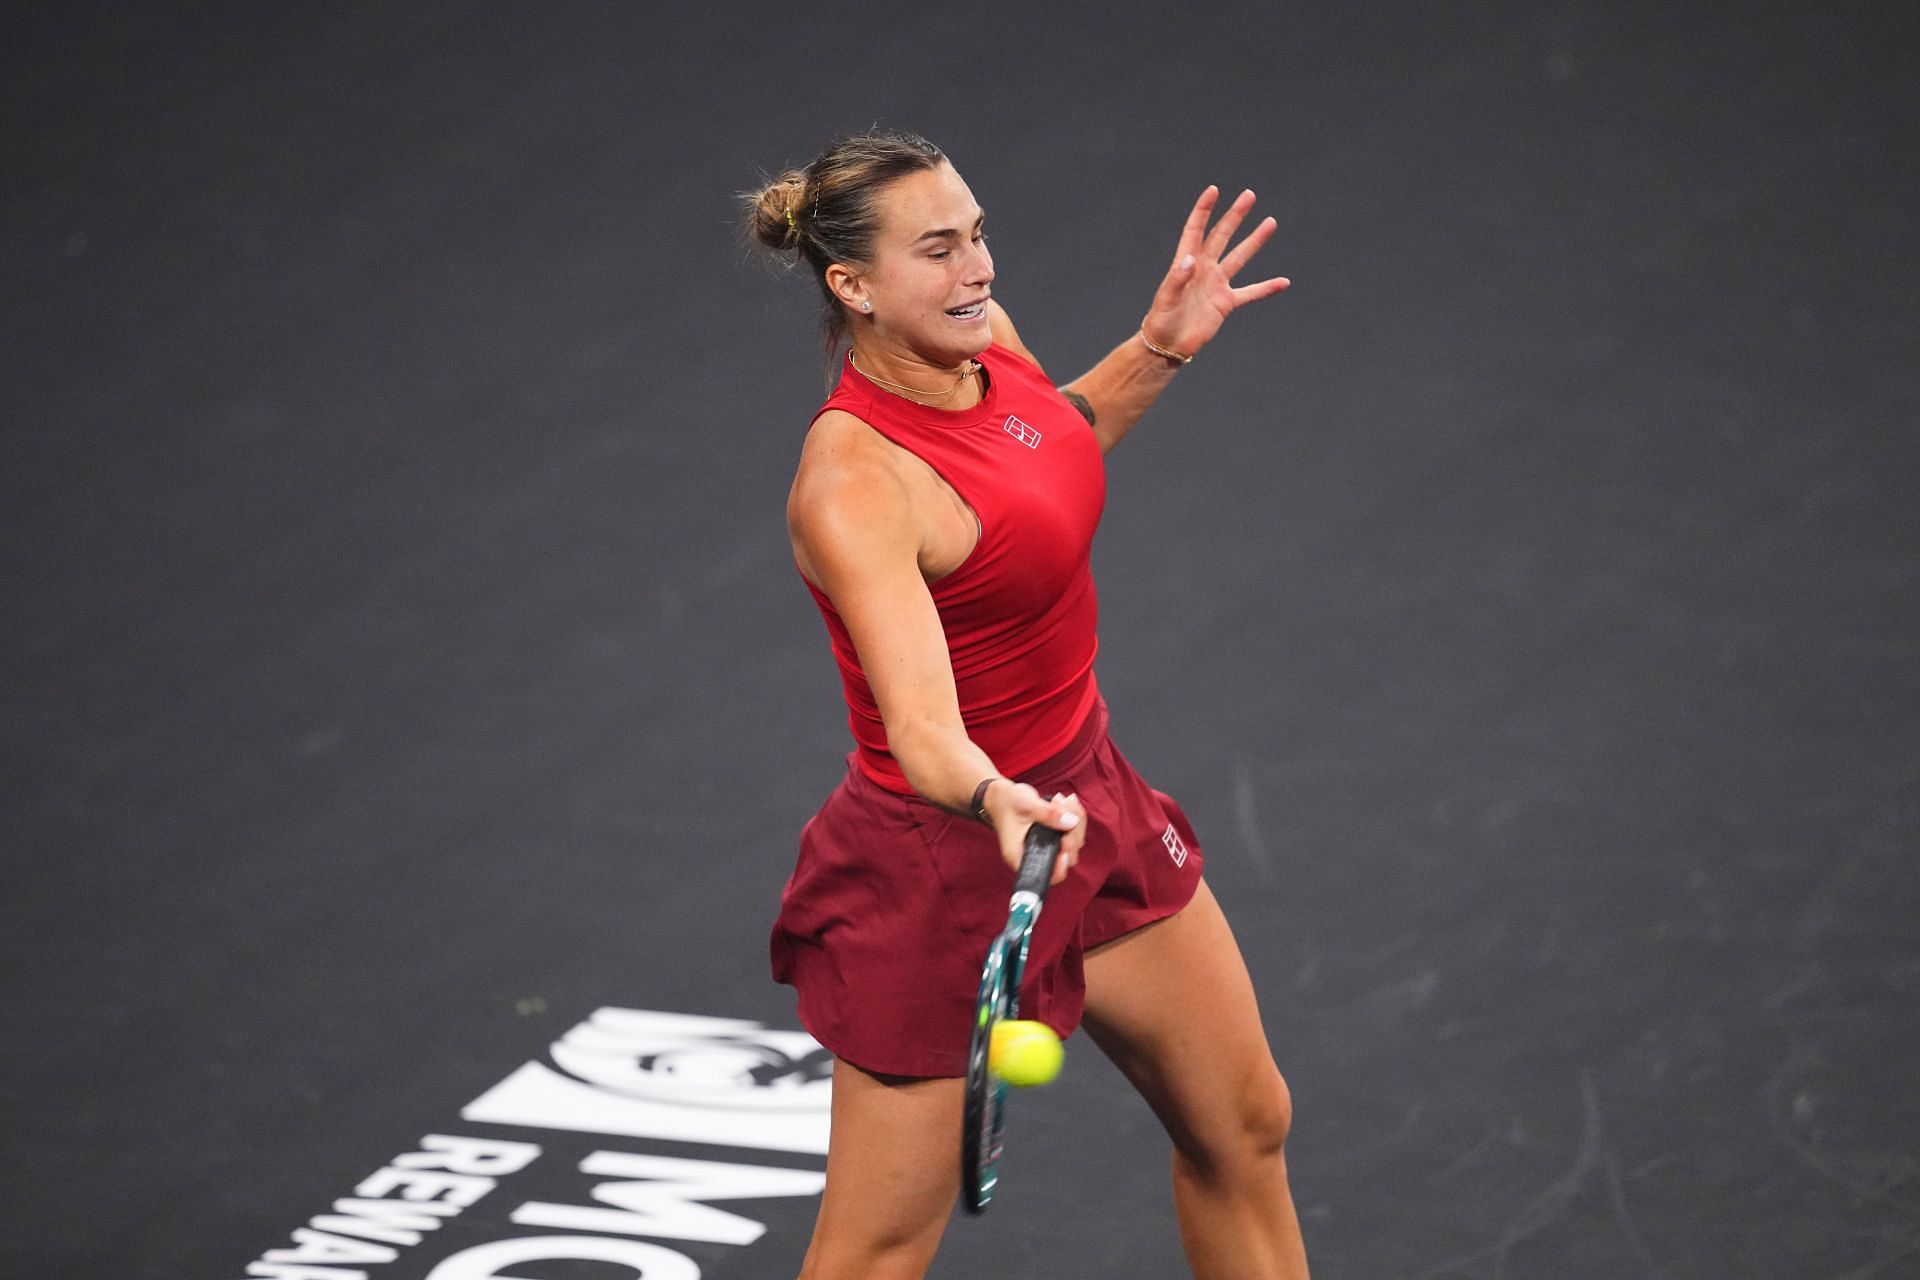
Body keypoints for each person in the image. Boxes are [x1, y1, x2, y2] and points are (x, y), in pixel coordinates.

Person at [747, 130, 1309, 1280]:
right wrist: (1000, 801)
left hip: (1086, 801)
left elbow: (1050, 457)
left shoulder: (981, 347)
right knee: (872, 1254)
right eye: (940, 250)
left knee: (1245, 1125)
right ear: (851, 285)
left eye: (980, 235)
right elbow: (920, 728)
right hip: (948, 858)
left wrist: (1159, 348)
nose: (980, 271)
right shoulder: (855, 485)